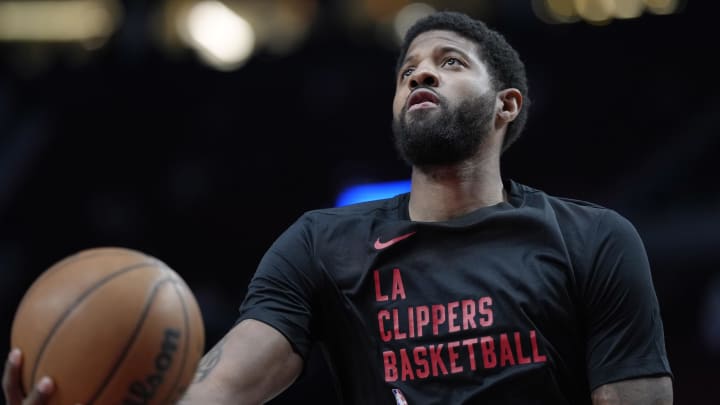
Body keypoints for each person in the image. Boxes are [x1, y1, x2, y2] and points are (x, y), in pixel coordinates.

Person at [3, 10, 673, 405]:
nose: (420, 73)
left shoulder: (592, 238)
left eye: (449, 62)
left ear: (506, 106)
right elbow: (229, 381)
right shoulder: (323, 243)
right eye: (409, 68)